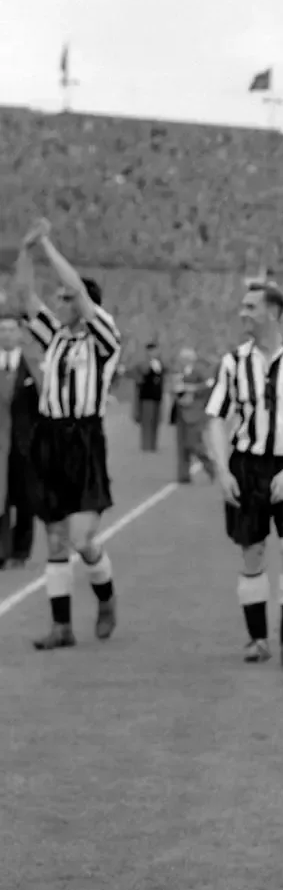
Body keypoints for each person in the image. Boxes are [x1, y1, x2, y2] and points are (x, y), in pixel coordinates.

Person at [205, 280, 283, 668]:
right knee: (252, 552)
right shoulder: (233, 363)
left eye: (250, 307)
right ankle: (258, 639)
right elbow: (214, 419)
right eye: (242, 307)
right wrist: (222, 471)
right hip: (247, 468)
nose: (242, 313)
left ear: (272, 313)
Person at [13, 218, 121, 648]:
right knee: (54, 536)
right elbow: (23, 298)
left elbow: (75, 287)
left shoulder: (103, 338)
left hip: (84, 440)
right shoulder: (56, 337)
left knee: (82, 538)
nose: (59, 302)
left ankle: (106, 594)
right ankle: (61, 627)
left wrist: (48, 246)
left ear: (85, 303)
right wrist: (25, 250)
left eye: (66, 298)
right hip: (49, 438)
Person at [0, 311, 38, 568]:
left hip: (24, 446)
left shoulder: (31, 369)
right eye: (1, 329)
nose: (6, 334)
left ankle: (21, 549)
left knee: (24, 499)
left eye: (10, 329)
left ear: (20, 333)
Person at [170, 347, 216, 484]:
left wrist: (191, 388)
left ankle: (211, 468)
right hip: (181, 412)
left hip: (195, 412)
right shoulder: (178, 372)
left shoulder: (199, 371)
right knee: (182, 445)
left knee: (195, 444)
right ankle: (183, 475)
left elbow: (209, 385)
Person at [133, 341, 165, 451]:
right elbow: (141, 374)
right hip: (147, 396)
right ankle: (146, 445)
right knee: (147, 421)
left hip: (157, 396)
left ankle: (153, 445)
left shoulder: (160, 363)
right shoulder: (143, 363)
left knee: (156, 421)